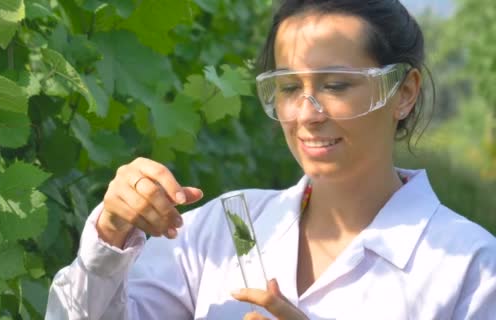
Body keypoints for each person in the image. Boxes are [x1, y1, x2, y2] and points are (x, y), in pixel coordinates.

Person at [46, 0, 496, 319]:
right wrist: (109, 234)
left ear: (404, 92)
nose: (306, 114)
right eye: (287, 88)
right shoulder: (231, 227)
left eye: (335, 85)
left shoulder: (470, 267)